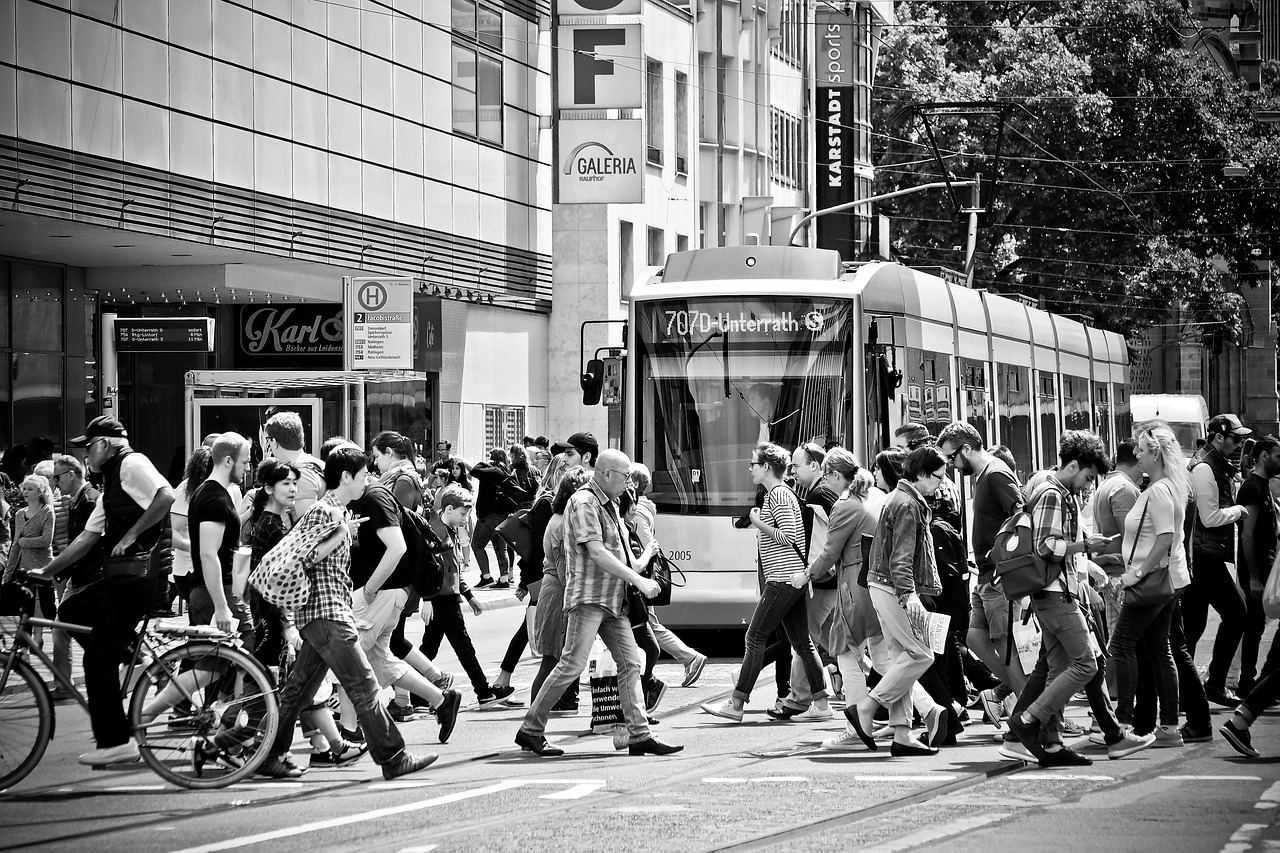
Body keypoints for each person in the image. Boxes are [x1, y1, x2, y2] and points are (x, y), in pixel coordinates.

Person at [260, 445, 438, 781]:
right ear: (346, 477)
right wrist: (341, 533)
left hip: (324, 614)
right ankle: (393, 756)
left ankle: (268, 753)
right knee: (365, 686)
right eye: (363, 475)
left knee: (298, 690)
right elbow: (306, 558)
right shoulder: (327, 513)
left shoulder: (331, 512)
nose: (367, 480)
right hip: (327, 615)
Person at [516, 448, 682, 757]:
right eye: (624, 477)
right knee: (571, 665)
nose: (628, 484)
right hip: (589, 599)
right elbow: (596, 552)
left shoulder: (611, 503)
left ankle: (639, 733)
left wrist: (645, 562)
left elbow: (621, 554)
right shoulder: (584, 502)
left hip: (613, 601)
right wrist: (638, 581)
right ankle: (531, 729)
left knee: (631, 662)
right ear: (605, 474)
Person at [35, 416, 175, 766]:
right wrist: (45, 571)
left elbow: (166, 495)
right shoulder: (113, 480)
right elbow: (86, 538)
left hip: (140, 578)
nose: (85, 456)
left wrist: (130, 535)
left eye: (88, 447)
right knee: (72, 611)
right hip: (123, 578)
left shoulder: (132, 463)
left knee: (96, 658)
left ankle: (116, 741)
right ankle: (137, 660)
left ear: (105, 445)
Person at [1005, 431, 1112, 767]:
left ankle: (1051, 744)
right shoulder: (1053, 494)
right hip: (1056, 594)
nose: (1089, 485)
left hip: (1050, 593)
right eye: (1088, 477)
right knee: (1085, 664)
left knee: (1059, 667)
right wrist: (1087, 545)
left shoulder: (1054, 490)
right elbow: (1047, 546)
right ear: (1075, 465)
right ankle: (1028, 720)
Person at [702, 443, 829, 724]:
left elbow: (788, 536)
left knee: (755, 637)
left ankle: (737, 703)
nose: (750, 469)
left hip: (782, 578)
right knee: (802, 643)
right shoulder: (780, 494)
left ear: (767, 468)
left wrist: (757, 522)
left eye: (753, 464)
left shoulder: (779, 496)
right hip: (790, 577)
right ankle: (821, 703)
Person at [351, 432, 462, 738]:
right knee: (383, 653)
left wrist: (373, 586)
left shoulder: (394, 484)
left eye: (377, 454)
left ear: (389, 452)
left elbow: (395, 539)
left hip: (389, 583)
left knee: (354, 654)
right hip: (392, 583)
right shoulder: (396, 481)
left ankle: (356, 723)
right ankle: (438, 698)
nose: (375, 461)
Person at [842, 446, 947, 756]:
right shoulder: (908, 504)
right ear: (924, 474)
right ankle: (867, 707)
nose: (940, 484)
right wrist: (909, 594)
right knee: (921, 654)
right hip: (893, 587)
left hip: (882, 584)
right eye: (938, 478)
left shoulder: (899, 498)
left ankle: (902, 734)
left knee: (901, 655)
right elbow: (901, 556)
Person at [937, 422, 1027, 727]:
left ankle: (1031, 714)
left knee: (1003, 646)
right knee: (976, 638)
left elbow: (1021, 513)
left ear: (965, 449)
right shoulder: (986, 474)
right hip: (988, 575)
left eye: (951, 457)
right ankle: (1022, 695)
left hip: (998, 575)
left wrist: (1004, 557)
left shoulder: (994, 474)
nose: (949, 465)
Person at [1106, 426, 1189, 752]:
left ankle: (1123, 724)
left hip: (1149, 582)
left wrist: (1133, 574)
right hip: (1165, 582)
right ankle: (1169, 726)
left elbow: (1164, 539)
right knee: (1159, 650)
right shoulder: (1167, 487)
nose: (1136, 454)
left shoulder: (1157, 492)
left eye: (1141, 450)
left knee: (1122, 645)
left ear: (1155, 453)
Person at [423, 484, 515, 709]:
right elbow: (426, 566)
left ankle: (413, 694)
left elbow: (453, 568)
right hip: (441, 597)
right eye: (463, 514)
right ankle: (483, 692)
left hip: (446, 595)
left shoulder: (448, 529)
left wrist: (469, 595)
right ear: (449, 509)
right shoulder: (435, 532)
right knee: (463, 647)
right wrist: (427, 598)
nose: (466, 519)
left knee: (429, 649)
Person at [768, 442, 838, 721]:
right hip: (830, 579)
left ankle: (800, 698)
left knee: (804, 638)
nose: (792, 471)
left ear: (814, 466)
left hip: (821, 579)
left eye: (796, 466)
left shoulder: (817, 496)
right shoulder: (821, 492)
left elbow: (821, 543)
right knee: (835, 641)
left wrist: (809, 572)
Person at [1185, 413, 1251, 707]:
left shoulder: (1214, 464)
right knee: (1237, 614)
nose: (1238, 444)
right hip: (1203, 556)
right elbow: (1210, 518)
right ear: (1218, 437)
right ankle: (1214, 683)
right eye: (1235, 438)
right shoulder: (1204, 468)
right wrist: (1239, 510)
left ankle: (1185, 691)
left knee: (1193, 625)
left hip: (1202, 555)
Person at [630, 462, 707, 689]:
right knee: (647, 624)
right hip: (640, 577)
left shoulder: (637, 513)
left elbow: (646, 544)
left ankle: (690, 658)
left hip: (639, 578)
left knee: (648, 625)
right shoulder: (644, 509)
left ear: (633, 484)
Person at [528, 465, 593, 715]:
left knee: (555, 660)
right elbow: (566, 569)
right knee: (551, 661)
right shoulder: (562, 522)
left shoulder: (560, 518)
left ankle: (537, 718)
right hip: (558, 597)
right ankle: (534, 719)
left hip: (554, 592)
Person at [187, 433, 253, 643]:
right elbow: (208, 554)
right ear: (228, 461)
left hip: (212, 592)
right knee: (247, 649)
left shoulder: (209, 493)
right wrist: (221, 606)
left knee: (211, 669)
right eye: (244, 462)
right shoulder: (215, 499)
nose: (248, 468)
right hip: (214, 592)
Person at [47, 454, 101, 703]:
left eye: (57, 477)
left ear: (71, 474)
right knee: (60, 630)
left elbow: (87, 544)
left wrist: (58, 570)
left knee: (80, 631)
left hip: (91, 578)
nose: (54, 482)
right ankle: (63, 686)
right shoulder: (76, 501)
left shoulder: (90, 501)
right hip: (79, 577)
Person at [1235, 434, 1280, 696]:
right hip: (1257, 571)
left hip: (1266, 566)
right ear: (1264, 456)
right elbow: (1247, 534)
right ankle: (1248, 685)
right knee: (1253, 626)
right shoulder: (1253, 487)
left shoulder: (1262, 486)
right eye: (1277, 455)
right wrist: (1253, 577)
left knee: (1257, 625)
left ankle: (1255, 683)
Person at [4, 475, 56, 650]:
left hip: (44, 567)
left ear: (40, 492)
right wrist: (8, 572)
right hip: (26, 568)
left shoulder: (47, 511)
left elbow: (46, 540)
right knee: (26, 606)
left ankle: (52, 637)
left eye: (30, 489)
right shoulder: (20, 514)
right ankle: (24, 646)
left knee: (47, 607)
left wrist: (24, 542)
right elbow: (15, 545)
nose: (25, 492)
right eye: (24, 488)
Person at [263, 411, 326, 517]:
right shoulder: (318, 464)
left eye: (267, 440)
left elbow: (307, 525)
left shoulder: (301, 473)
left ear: (274, 442)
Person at [470, 448, 515, 589]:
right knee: (501, 548)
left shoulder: (493, 471)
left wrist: (485, 462)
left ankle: (486, 577)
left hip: (489, 516)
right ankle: (503, 579)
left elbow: (474, 470)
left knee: (477, 545)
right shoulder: (507, 472)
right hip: (503, 516)